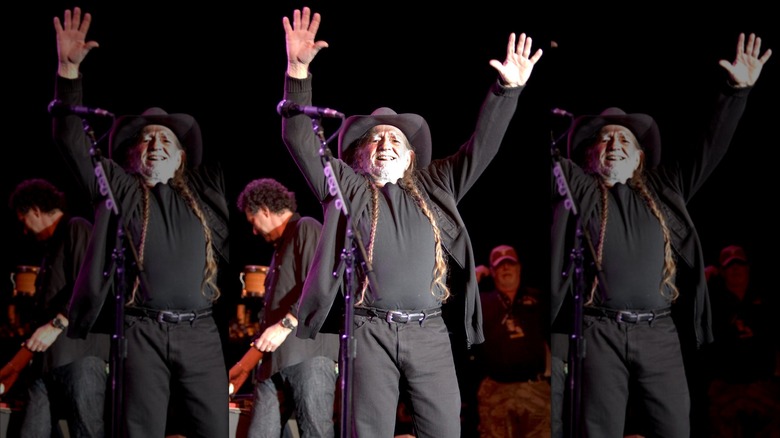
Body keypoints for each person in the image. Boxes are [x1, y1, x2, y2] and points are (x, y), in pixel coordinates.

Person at [279, 6, 543, 437]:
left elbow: (483, 147)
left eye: (396, 138)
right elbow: (299, 140)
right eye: (375, 138)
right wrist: (297, 72)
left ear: (410, 155)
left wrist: (507, 91)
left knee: (443, 429)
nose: (385, 142)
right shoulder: (347, 186)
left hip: (429, 332)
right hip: (368, 331)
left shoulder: (437, 183)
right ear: (360, 155)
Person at [550, 33, 772, 437]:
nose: (615, 144)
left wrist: (736, 93)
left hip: (659, 332)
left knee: (673, 427)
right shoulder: (582, 190)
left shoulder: (665, 187)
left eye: (625, 140)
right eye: (606, 139)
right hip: (602, 331)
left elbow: (709, 146)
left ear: (639, 156)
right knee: (598, 429)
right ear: (589, 155)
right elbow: (555, 159)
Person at [50, 8, 231, 437]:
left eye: (164, 139)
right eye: (145, 139)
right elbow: (73, 141)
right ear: (130, 155)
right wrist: (68, 72)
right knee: (139, 430)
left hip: (200, 331)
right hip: (141, 329)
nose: (154, 144)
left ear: (182, 156)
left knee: (214, 429)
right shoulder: (123, 190)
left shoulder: (206, 193)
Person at [231, 178, 340, 437]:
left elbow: (320, 287)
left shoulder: (306, 227)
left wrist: (285, 324)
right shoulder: (279, 249)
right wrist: (246, 364)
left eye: (252, 221)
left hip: (309, 356)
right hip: (274, 362)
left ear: (265, 211)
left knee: (315, 431)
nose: (254, 231)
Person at [6, 178, 110, 437]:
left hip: (80, 358)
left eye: (23, 220)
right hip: (46, 364)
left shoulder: (76, 228)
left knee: (85, 431)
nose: (24, 230)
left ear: (36, 211)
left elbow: (90, 286)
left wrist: (56, 323)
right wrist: (19, 362)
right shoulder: (49, 248)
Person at [473, 244, 550, 438]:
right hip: (496, 391)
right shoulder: (482, 301)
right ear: (492, 271)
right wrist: (474, 278)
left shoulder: (537, 299)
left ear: (519, 268)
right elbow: (455, 307)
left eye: (510, 264)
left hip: (535, 389)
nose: (506, 268)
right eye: (499, 266)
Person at [704, 244, 780, 437]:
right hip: (725, 389)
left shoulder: (764, 300)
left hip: (762, 387)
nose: (735, 269)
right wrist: (703, 278)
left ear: (748, 267)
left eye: (740, 263)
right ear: (722, 271)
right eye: (729, 265)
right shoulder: (713, 303)